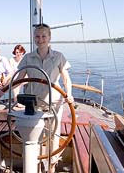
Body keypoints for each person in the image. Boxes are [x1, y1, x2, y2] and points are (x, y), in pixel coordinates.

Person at [15, 24, 74, 170]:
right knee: (36, 136)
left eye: (43, 36)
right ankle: (35, 164)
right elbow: (19, 78)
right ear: (34, 37)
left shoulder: (59, 56)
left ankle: (52, 166)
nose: (40, 39)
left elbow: (66, 78)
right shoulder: (28, 58)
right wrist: (8, 92)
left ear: (49, 38)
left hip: (54, 103)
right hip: (34, 104)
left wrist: (70, 94)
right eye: (37, 36)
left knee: (53, 136)